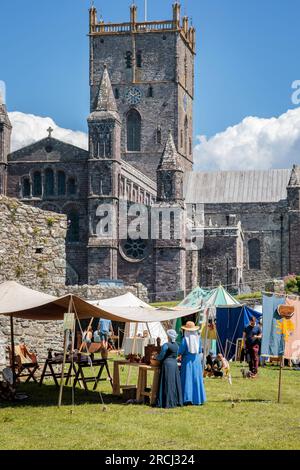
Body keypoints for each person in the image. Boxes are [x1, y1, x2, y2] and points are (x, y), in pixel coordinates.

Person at [178, 321, 206, 405]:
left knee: (187, 379)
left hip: (187, 361)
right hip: (196, 361)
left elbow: (181, 351)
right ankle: (198, 399)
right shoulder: (198, 338)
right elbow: (200, 350)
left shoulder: (184, 339)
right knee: (196, 379)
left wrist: (179, 354)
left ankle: (187, 398)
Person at [156, 330, 183, 409]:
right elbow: (176, 355)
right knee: (173, 383)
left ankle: (166, 402)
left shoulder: (166, 345)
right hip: (174, 365)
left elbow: (161, 355)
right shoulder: (177, 345)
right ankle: (175, 401)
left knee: (167, 383)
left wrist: (155, 358)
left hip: (167, 365)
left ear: (168, 337)